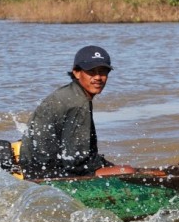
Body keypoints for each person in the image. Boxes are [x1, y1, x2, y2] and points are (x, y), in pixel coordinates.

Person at [19, 45, 131, 179]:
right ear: (77, 72)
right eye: (91, 71)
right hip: (45, 173)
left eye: (102, 72)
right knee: (128, 171)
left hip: (34, 167)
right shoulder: (78, 103)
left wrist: (107, 166)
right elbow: (76, 162)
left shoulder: (71, 94)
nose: (98, 77)